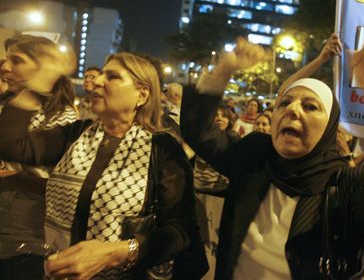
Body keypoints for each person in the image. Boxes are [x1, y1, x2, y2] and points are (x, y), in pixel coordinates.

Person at [180, 36, 364, 279]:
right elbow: (199, 130)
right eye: (284, 103)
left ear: (330, 129)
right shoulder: (254, 156)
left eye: (310, 106)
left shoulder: (345, 186)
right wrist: (225, 68)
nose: (292, 110)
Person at [0, 52, 208, 279]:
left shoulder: (161, 148)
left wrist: (115, 253)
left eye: (112, 77)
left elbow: (180, 230)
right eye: (100, 75)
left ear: (142, 94)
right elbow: (9, 145)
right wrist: (37, 85)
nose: (97, 81)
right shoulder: (75, 134)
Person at [0, 34, 78, 280]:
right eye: (5, 59)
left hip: (26, 237)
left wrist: (10, 178)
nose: (5, 66)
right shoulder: (6, 106)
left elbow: (61, 186)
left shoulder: (61, 119)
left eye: (17, 60)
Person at [193, 104, 240, 280]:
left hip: (220, 195)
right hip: (198, 193)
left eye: (223, 115)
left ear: (230, 120)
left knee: (215, 241)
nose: (219, 118)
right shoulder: (201, 139)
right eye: (216, 114)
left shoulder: (233, 139)